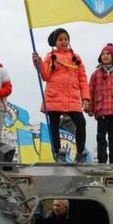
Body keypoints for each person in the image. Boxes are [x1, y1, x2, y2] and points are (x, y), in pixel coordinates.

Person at [32, 28, 90, 163]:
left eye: (66, 39)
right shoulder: (50, 57)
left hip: (72, 97)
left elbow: (83, 78)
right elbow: (45, 76)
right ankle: (58, 153)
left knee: (81, 123)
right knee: (54, 125)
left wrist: (85, 98)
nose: (64, 42)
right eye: (60, 39)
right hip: (54, 96)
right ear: (55, 42)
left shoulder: (76, 58)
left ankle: (80, 153)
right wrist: (38, 62)